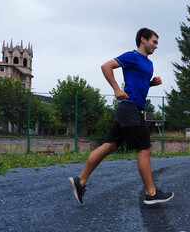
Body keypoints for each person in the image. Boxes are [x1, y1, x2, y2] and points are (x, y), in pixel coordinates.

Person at [68, 28, 174, 205]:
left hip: (130, 108)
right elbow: (106, 66)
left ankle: (80, 181)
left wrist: (151, 84)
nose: (156, 46)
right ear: (143, 39)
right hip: (129, 108)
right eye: (154, 42)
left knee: (109, 146)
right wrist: (117, 89)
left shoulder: (148, 63)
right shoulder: (132, 56)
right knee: (145, 149)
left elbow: (137, 84)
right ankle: (151, 193)